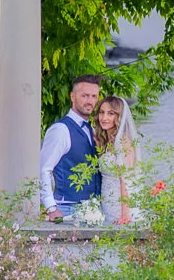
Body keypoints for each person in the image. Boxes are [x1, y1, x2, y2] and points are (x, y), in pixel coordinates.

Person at [39, 74, 105, 221]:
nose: (90, 101)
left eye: (94, 96)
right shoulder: (61, 130)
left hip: (92, 208)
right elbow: (43, 169)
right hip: (66, 208)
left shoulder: (92, 130)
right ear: (72, 96)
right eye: (85, 96)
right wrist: (51, 208)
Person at [94, 95, 139, 225]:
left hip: (119, 205)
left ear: (118, 117)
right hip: (106, 201)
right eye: (102, 113)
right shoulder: (106, 142)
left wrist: (125, 214)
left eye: (110, 113)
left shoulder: (123, 142)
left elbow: (125, 179)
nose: (104, 118)